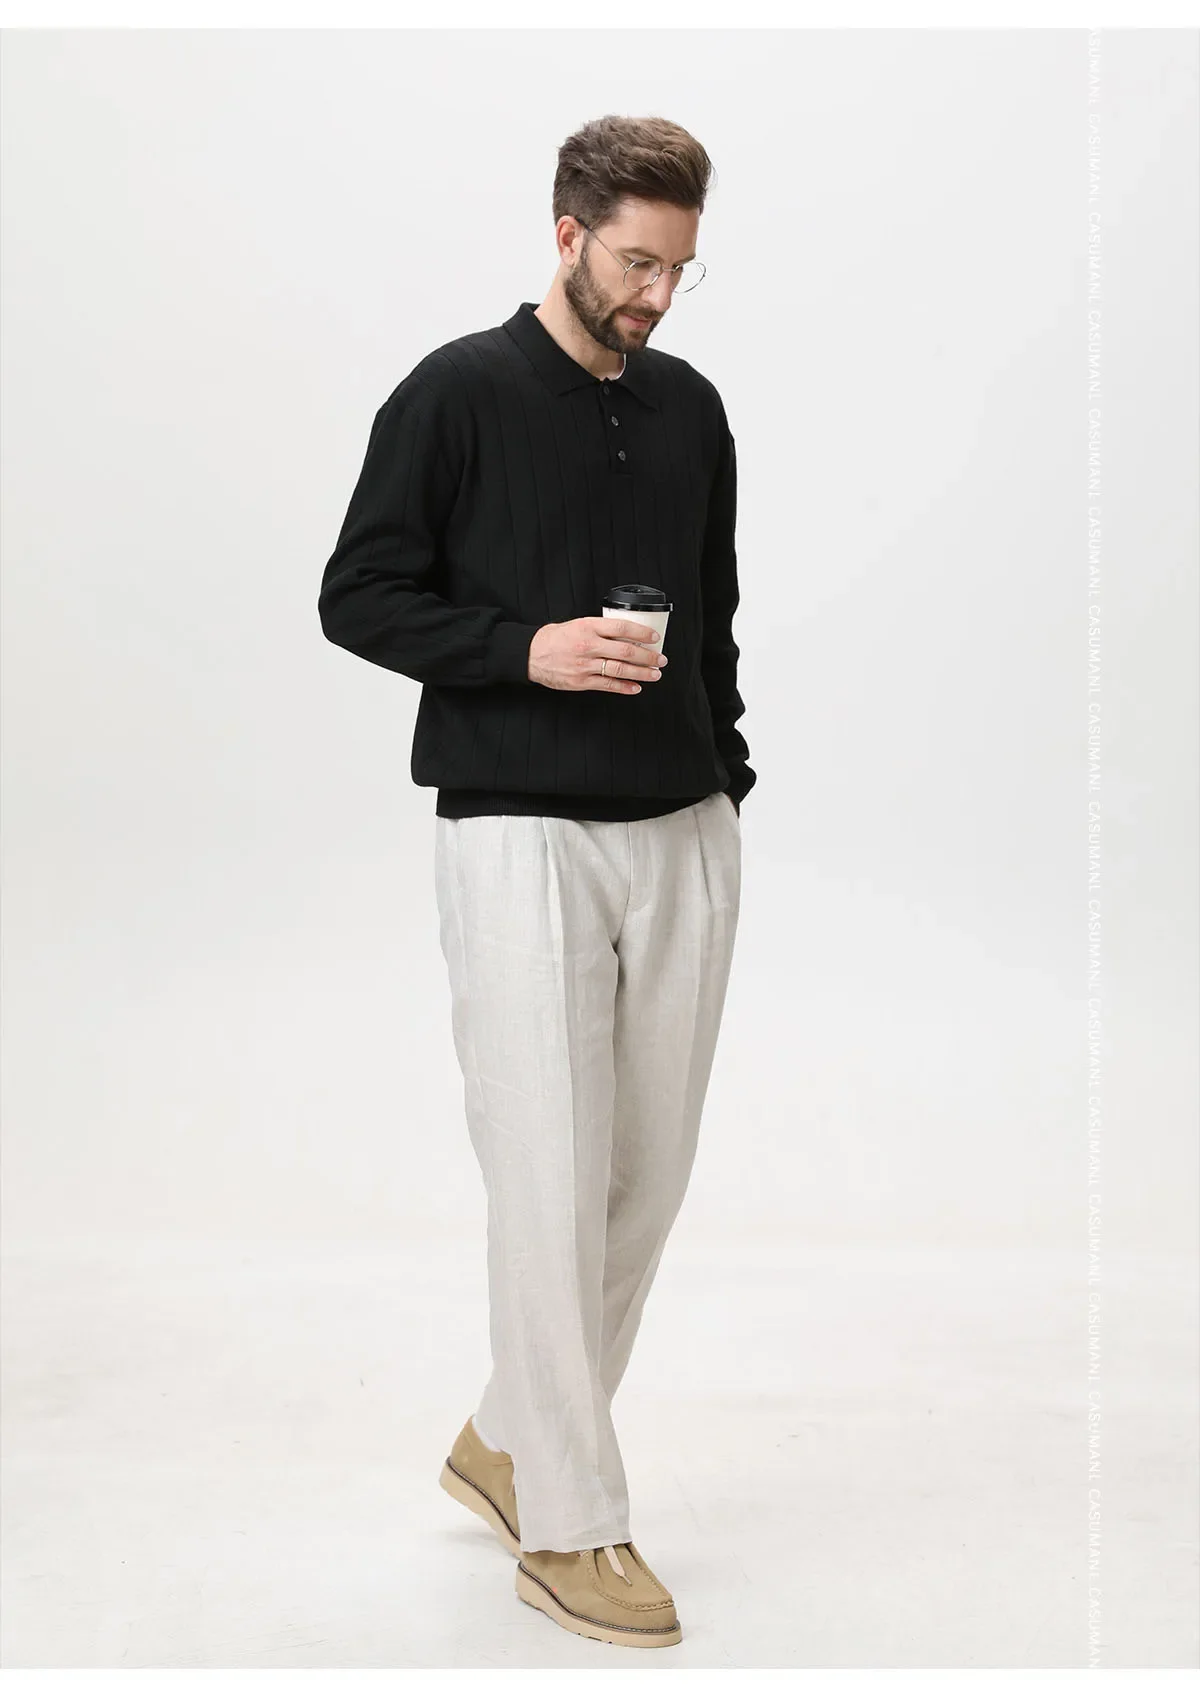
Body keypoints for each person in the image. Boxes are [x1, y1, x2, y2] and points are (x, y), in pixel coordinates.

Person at [318, 113, 754, 1650]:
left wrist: (726, 775)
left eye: (680, 269)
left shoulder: (691, 409)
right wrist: (525, 652)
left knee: (645, 1178)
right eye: (635, 262)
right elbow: (359, 593)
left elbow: (713, 613)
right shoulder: (456, 393)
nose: (657, 295)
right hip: (519, 831)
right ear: (567, 235)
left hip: (682, 827)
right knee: (550, 1181)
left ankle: (510, 1432)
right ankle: (568, 1521)